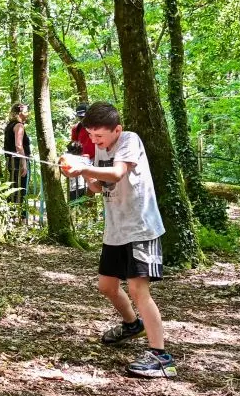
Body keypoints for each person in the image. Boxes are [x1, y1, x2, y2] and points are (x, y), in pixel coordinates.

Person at [62, 102, 176, 379]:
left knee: (138, 290)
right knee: (107, 286)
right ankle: (132, 325)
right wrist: (78, 172)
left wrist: (84, 169)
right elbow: (97, 187)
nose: (94, 140)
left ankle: (161, 358)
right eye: (91, 135)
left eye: (99, 135)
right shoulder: (99, 148)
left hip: (140, 227)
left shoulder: (129, 140)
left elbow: (116, 173)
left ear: (117, 130)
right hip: (116, 229)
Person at [2, 103, 31, 222]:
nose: (28, 114)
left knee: (14, 187)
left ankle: (13, 216)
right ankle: (20, 218)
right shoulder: (19, 126)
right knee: (21, 189)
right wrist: (24, 163)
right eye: (26, 111)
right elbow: (18, 146)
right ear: (20, 113)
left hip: (11, 161)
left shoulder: (9, 125)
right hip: (18, 162)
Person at [68, 103, 95, 202]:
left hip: (95, 160)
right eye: (80, 117)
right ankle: (78, 208)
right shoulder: (76, 128)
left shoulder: (96, 127)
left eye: (83, 116)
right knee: (78, 188)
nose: (82, 119)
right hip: (81, 161)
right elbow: (74, 142)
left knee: (92, 188)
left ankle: (90, 209)